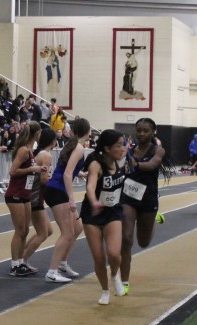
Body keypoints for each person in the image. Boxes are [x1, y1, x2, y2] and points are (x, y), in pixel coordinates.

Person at [81, 129, 128, 305]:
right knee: (99, 258)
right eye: (118, 145)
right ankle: (105, 290)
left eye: (123, 144)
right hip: (93, 214)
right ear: (107, 148)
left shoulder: (121, 159)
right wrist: (94, 202)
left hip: (113, 212)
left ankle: (115, 275)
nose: (122, 149)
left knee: (114, 254)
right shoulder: (96, 164)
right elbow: (90, 186)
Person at [120, 118, 165, 295]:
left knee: (143, 242)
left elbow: (152, 164)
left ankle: (153, 219)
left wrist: (137, 164)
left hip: (148, 199)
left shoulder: (158, 150)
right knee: (126, 239)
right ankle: (124, 282)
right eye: (139, 130)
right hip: (128, 197)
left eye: (145, 131)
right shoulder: (129, 151)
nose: (141, 134)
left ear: (153, 132)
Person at [43, 117, 90, 282]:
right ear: (87, 131)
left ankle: (62, 263)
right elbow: (67, 174)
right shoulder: (78, 147)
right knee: (67, 233)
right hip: (58, 190)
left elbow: (67, 168)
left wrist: (81, 173)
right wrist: (71, 199)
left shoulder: (73, 144)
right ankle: (52, 272)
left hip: (57, 189)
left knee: (77, 228)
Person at [5, 121, 45, 277]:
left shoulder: (30, 150)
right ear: (37, 134)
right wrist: (32, 169)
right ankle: (14, 265)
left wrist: (38, 169)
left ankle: (21, 262)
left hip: (25, 194)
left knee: (26, 230)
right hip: (15, 194)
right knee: (20, 230)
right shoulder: (23, 150)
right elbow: (13, 171)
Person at [22, 128, 57, 279]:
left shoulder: (39, 154)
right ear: (53, 141)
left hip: (35, 195)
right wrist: (56, 182)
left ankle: (21, 257)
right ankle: (22, 261)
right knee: (43, 233)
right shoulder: (46, 155)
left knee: (48, 231)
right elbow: (43, 179)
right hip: (35, 196)